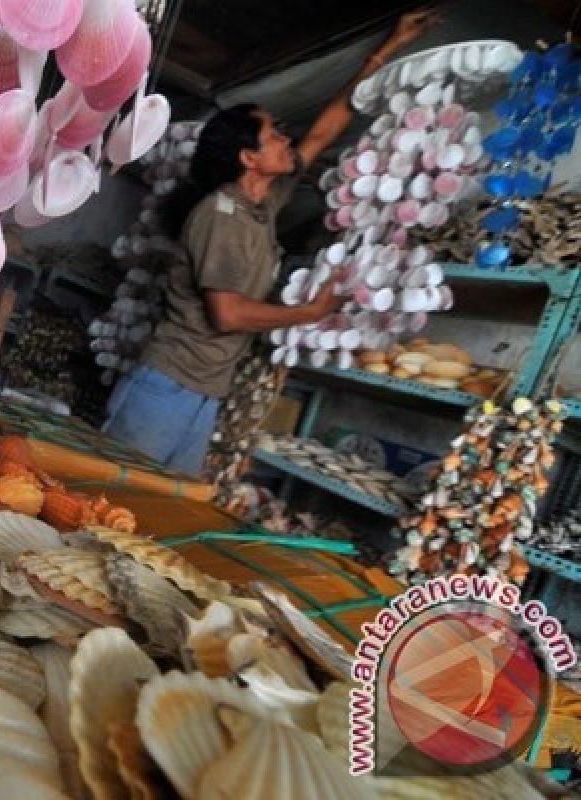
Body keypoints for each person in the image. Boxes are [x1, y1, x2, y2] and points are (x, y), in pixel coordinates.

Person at [102, 8, 439, 477]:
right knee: (110, 499)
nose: (286, 139)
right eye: (275, 133)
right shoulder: (219, 217)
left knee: (157, 512)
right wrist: (310, 313)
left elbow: (323, 131)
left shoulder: (263, 200)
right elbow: (228, 313)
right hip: (167, 387)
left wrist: (386, 50)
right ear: (248, 158)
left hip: (204, 391)